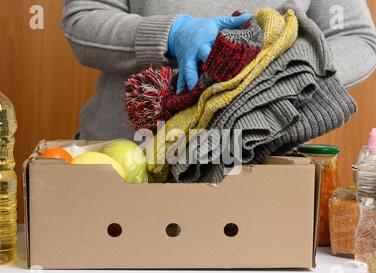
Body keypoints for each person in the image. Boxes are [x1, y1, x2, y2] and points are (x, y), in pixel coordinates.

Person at [61, 0, 376, 141]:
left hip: (266, 161)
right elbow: (85, 17)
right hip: (127, 157)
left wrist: (282, 70)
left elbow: (355, 38)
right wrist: (170, 34)